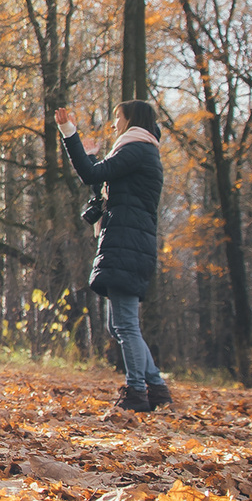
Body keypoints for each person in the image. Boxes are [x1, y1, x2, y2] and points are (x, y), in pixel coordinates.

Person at [54, 99, 169, 413]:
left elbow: (91, 175)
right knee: (118, 326)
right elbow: (104, 182)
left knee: (126, 326)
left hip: (127, 244)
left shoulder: (137, 148)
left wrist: (69, 133)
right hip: (128, 243)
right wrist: (92, 156)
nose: (115, 123)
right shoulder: (140, 150)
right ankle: (156, 388)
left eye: (118, 117)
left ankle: (137, 392)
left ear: (132, 119)